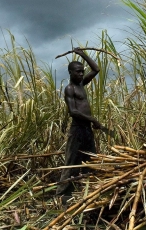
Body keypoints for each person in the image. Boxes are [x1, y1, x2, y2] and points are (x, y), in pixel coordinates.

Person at [56, 47, 102, 201]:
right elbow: (73, 112)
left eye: (82, 71)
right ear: (70, 72)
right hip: (77, 130)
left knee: (91, 158)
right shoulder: (70, 89)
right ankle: (61, 194)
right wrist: (93, 119)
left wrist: (83, 54)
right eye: (78, 71)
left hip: (86, 129)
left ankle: (88, 190)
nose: (81, 74)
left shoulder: (82, 84)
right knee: (71, 159)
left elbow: (96, 69)